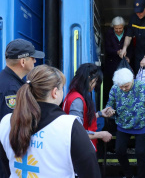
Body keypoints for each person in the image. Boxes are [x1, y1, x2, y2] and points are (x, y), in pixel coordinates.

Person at [0, 65, 101, 178]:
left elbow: (7, 166)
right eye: (62, 88)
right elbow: (90, 171)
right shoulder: (69, 127)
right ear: (54, 93)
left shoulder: (6, 122)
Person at [0, 38, 45, 178]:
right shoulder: (12, 90)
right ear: (23, 61)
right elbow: (13, 127)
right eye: (33, 58)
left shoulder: (8, 81)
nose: (35, 61)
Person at [106, 68, 145, 178]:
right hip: (123, 125)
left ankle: (141, 176)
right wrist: (109, 109)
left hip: (141, 124)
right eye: (121, 86)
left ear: (132, 79)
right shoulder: (115, 88)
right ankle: (128, 174)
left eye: (126, 86)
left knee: (140, 153)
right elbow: (109, 103)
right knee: (119, 151)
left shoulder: (142, 86)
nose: (123, 89)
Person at [63, 63, 113, 151]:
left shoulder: (73, 95)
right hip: (80, 150)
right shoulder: (77, 100)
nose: (95, 85)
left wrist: (100, 114)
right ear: (89, 79)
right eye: (96, 81)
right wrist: (101, 134)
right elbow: (76, 132)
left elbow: (82, 118)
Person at [119, 0, 145, 94]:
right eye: (137, 12)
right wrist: (124, 48)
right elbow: (129, 35)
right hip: (138, 55)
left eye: (141, 11)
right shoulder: (133, 18)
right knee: (138, 82)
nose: (139, 14)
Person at [104, 16, 134, 106]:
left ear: (123, 27)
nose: (118, 30)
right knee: (113, 85)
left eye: (120, 28)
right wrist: (116, 52)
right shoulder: (109, 34)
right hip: (112, 63)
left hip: (125, 64)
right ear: (113, 27)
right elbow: (107, 48)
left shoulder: (128, 33)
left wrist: (129, 57)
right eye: (116, 28)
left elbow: (132, 48)